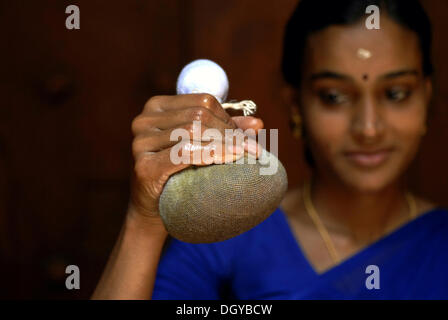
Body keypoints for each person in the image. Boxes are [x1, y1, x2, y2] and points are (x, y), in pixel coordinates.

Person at [92, 0, 448, 299]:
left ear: (427, 99)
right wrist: (144, 221)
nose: (369, 129)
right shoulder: (229, 232)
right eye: (334, 97)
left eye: (396, 93)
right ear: (296, 105)